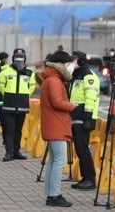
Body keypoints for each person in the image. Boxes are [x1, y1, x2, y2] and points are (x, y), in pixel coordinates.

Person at [40, 50, 77, 207]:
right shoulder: (54, 80)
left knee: (53, 160)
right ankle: (54, 195)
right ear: (61, 64)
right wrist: (73, 106)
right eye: (68, 64)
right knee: (59, 161)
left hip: (53, 124)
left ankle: (50, 193)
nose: (70, 67)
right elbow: (57, 102)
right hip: (57, 125)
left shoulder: (52, 78)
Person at [69, 51, 100, 190]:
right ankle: (85, 177)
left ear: (80, 61)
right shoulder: (77, 75)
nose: (72, 63)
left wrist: (87, 117)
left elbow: (90, 97)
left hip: (84, 117)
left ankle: (90, 179)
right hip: (77, 116)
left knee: (83, 149)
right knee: (80, 149)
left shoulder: (88, 76)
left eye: (74, 60)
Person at [0, 48, 36, 161]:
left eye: (21, 58)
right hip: (9, 104)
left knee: (18, 130)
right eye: (17, 58)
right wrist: (8, 95)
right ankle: (9, 152)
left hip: (22, 105)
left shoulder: (29, 72)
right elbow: (1, 86)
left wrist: (24, 96)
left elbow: (32, 87)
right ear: (13, 59)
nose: (19, 60)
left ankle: (16, 151)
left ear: (25, 59)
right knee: (9, 130)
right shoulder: (6, 72)